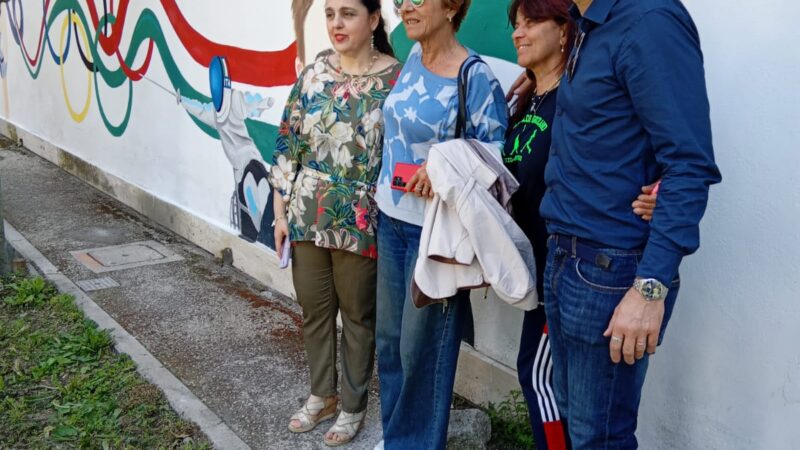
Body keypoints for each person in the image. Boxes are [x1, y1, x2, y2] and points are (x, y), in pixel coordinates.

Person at [538, 0, 722, 447]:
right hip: (568, 258)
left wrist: (650, 288)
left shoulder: (650, 22)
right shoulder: (587, 24)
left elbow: (689, 165)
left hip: (612, 273)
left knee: (600, 437)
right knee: (578, 424)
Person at [504, 1, 659, 448]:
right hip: (544, 267)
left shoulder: (577, 98)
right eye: (516, 24)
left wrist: (660, 190)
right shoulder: (530, 97)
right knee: (559, 395)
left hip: (589, 269)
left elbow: (665, 150)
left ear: (566, 30)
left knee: (555, 391)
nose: (519, 32)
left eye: (531, 22)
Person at [373, 0, 508, 448]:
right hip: (390, 220)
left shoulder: (474, 75)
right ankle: (398, 438)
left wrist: (443, 168)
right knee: (390, 347)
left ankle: (414, 442)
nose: (404, 7)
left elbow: (495, 156)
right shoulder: (412, 56)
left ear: (451, 7)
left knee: (422, 355)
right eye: (400, 1)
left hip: (434, 235)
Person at [268, 0, 401, 446]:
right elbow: (287, 142)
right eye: (329, 14)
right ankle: (322, 394)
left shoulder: (396, 80)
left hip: (361, 216)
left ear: (375, 19)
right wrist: (280, 213)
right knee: (314, 311)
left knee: (358, 317)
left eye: (348, 13)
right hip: (307, 211)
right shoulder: (313, 74)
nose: (336, 24)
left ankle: (352, 405)